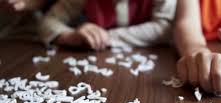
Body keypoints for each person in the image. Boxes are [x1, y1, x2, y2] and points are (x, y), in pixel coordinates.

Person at [38, 0, 177, 50]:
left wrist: (106, 37)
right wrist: (70, 36)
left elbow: (165, 28)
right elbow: (48, 21)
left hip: (156, 59)